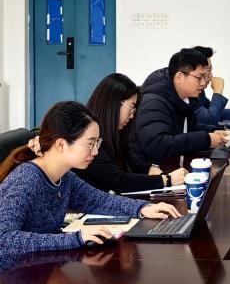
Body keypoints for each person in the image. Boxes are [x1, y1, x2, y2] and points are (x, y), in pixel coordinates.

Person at [0, 101, 179, 258]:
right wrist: (75, 238)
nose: (95, 151)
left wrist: (143, 208)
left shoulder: (65, 177)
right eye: (90, 143)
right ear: (61, 144)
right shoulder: (27, 178)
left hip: (39, 265)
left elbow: (98, 200)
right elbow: (4, 239)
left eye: (97, 143)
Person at [72, 73, 188, 193]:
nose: (132, 115)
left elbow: (129, 164)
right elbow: (118, 180)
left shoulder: (112, 134)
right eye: (131, 108)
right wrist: (166, 180)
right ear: (115, 103)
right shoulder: (89, 137)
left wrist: (149, 168)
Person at [134, 48, 230, 164]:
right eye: (199, 77)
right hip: (154, 169)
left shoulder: (184, 95)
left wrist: (213, 131)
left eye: (204, 77)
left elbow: (189, 126)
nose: (203, 83)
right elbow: (158, 145)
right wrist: (206, 139)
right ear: (179, 77)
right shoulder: (154, 102)